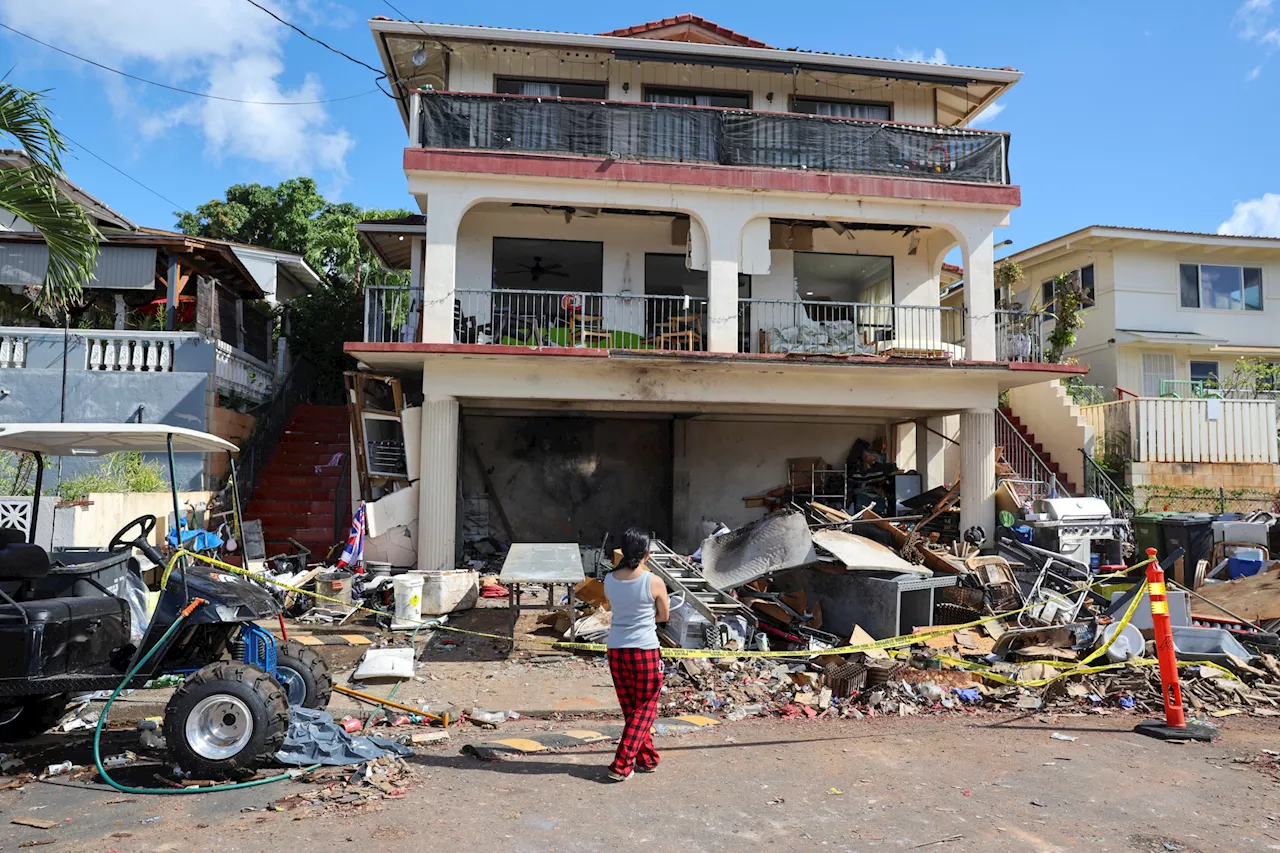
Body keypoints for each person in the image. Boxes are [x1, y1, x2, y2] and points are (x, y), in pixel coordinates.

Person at [602, 527, 670, 781]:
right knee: (645, 708)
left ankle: (647, 758)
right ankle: (621, 764)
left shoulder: (609, 579)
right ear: (647, 554)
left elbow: (612, 606)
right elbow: (664, 616)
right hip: (645, 650)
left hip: (617, 650)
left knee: (632, 709)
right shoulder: (653, 581)